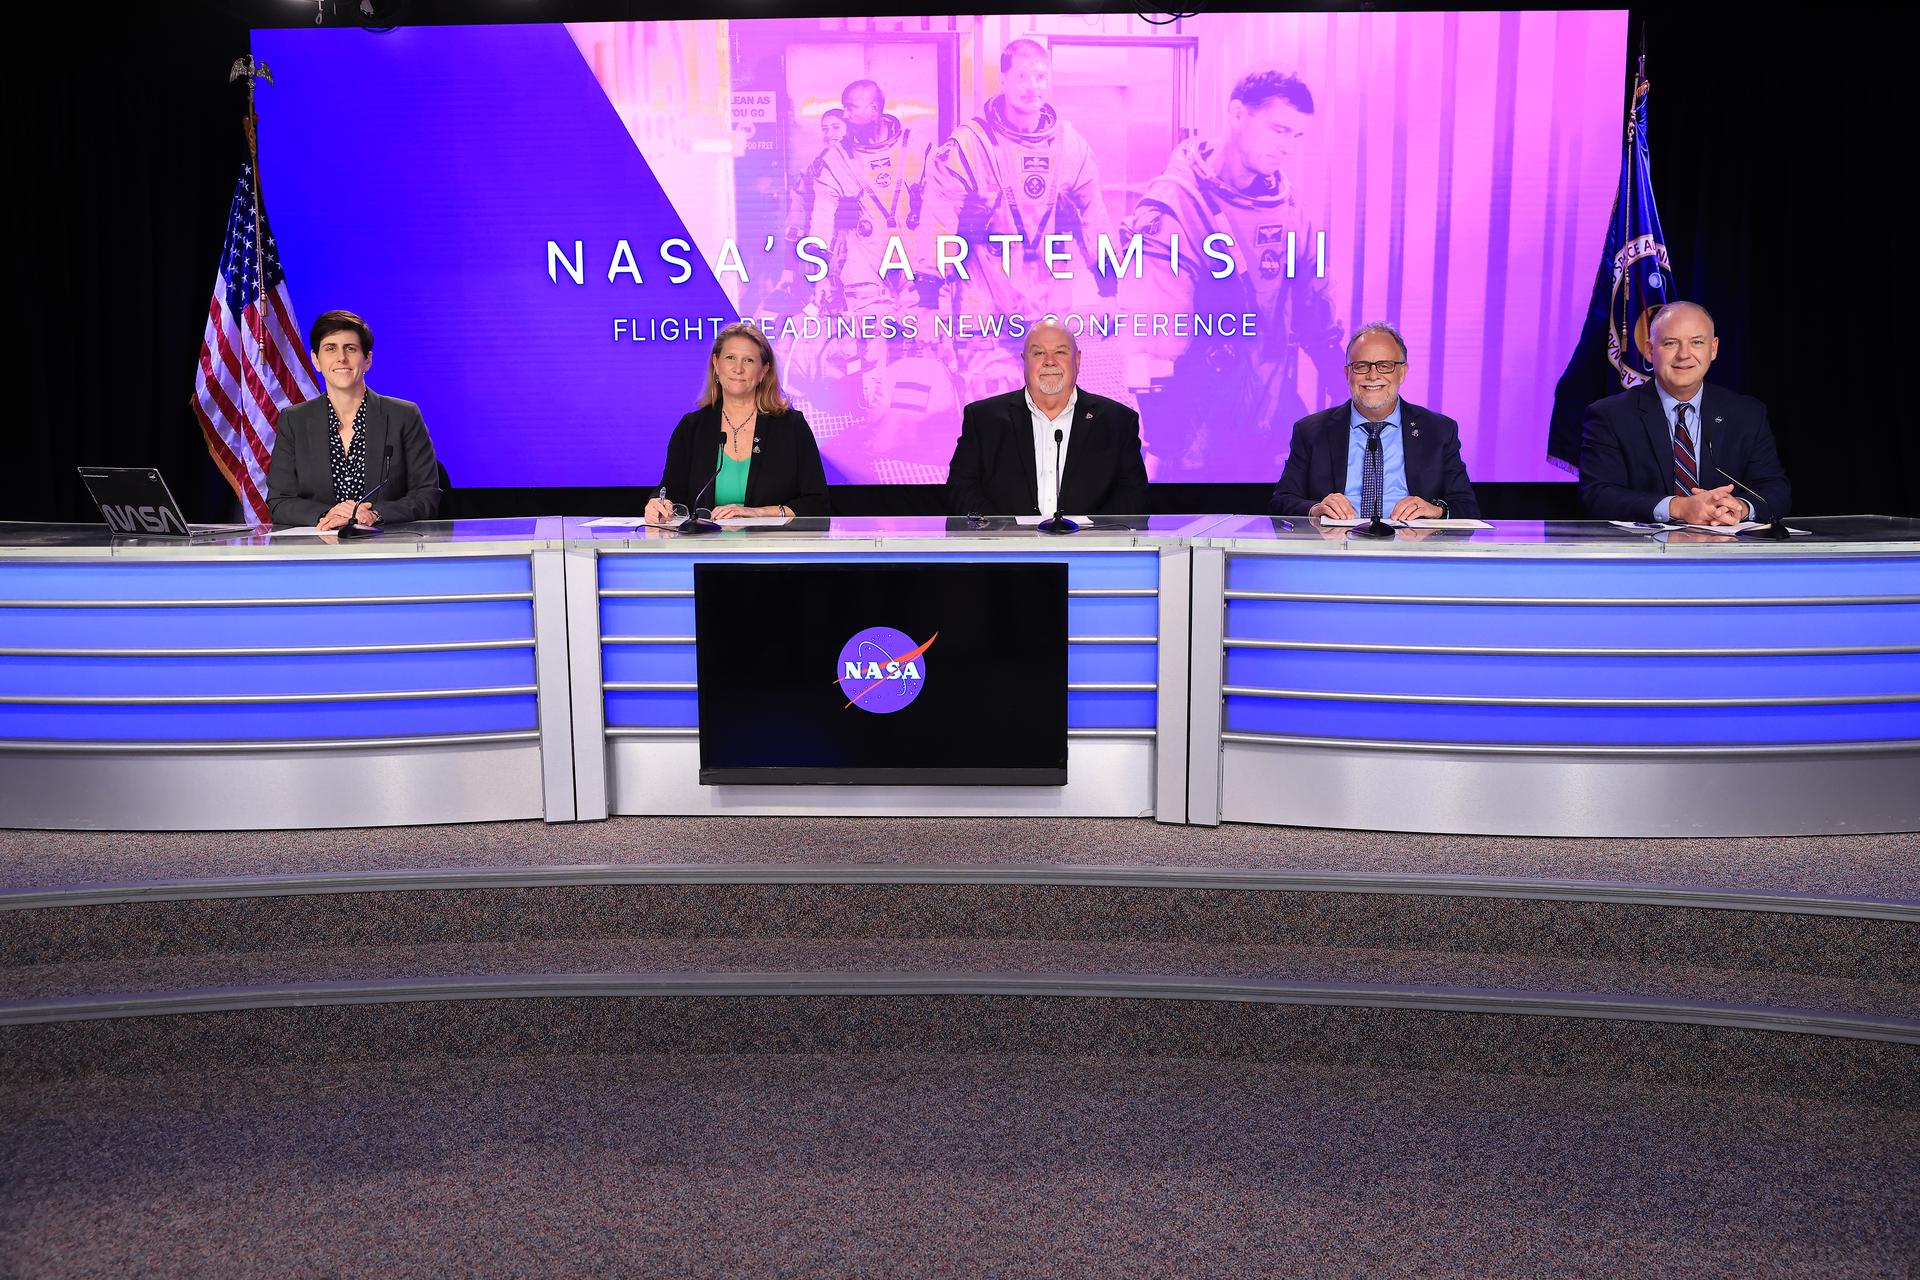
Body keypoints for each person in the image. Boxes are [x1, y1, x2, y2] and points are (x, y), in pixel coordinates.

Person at [1124, 67, 1347, 475]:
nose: (1287, 148)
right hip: (1196, 427)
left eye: (1296, 136)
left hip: (1270, 415)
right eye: (1278, 130)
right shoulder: (1176, 208)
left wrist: (1336, 368)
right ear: (1237, 113)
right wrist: (1162, 424)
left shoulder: (1286, 204)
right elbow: (1150, 330)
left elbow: (1312, 292)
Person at [914, 38, 1116, 322]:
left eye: (1040, 76)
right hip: (984, 312)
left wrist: (1108, 290)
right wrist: (928, 300)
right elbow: (938, 223)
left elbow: (1093, 217)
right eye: (1022, 76)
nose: (1032, 85)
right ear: (1003, 80)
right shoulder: (970, 146)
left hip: (1049, 312)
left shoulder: (1070, 145)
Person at [1577, 301, 1790, 525]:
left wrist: (1741, 507)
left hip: (1725, 553)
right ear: (1649, 350)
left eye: (1697, 342)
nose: (1684, 355)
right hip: (1644, 555)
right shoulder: (1610, 416)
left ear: (1713, 349)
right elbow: (1597, 496)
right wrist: (1678, 507)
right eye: (1670, 343)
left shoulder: (1747, 414)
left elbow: (1776, 490)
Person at [1269, 322, 1480, 520]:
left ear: (1402, 372)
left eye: (1385, 365)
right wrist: (1316, 509)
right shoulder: (1311, 431)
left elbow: (1467, 507)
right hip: (1336, 550)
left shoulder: (1438, 430)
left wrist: (1436, 509)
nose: (1372, 376)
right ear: (1348, 373)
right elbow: (1281, 502)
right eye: (1361, 366)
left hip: (1411, 551)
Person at [945, 321, 1148, 516]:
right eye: (1039, 353)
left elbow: (1133, 497)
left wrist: (1087, 534)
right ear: (1024, 360)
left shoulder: (1118, 422)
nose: (1049, 361)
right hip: (1007, 548)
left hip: (1088, 549)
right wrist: (1010, 534)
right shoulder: (983, 420)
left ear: (1077, 360)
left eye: (1060, 352)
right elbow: (961, 491)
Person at [266, 310, 441, 529]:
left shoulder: (403, 416)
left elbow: (426, 494)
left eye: (351, 348)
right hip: (318, 550)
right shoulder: (294, 421)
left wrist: (374, 514)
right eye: (330, 348)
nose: (341, 357)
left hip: (387, 548)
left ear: (367, 359)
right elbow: (280, 501)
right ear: (316, 360)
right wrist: (328, 514)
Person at [644, 322, 830, 522]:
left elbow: (818, 503)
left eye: (749, 360)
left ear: (764, 371)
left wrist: (757, 513)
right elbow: (670, 492)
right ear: (716, 364)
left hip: (774, 548)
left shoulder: (792, 426)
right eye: (730, 358)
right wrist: (658, 505)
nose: (738, 369)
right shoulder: (692, 427)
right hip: (706, 550)